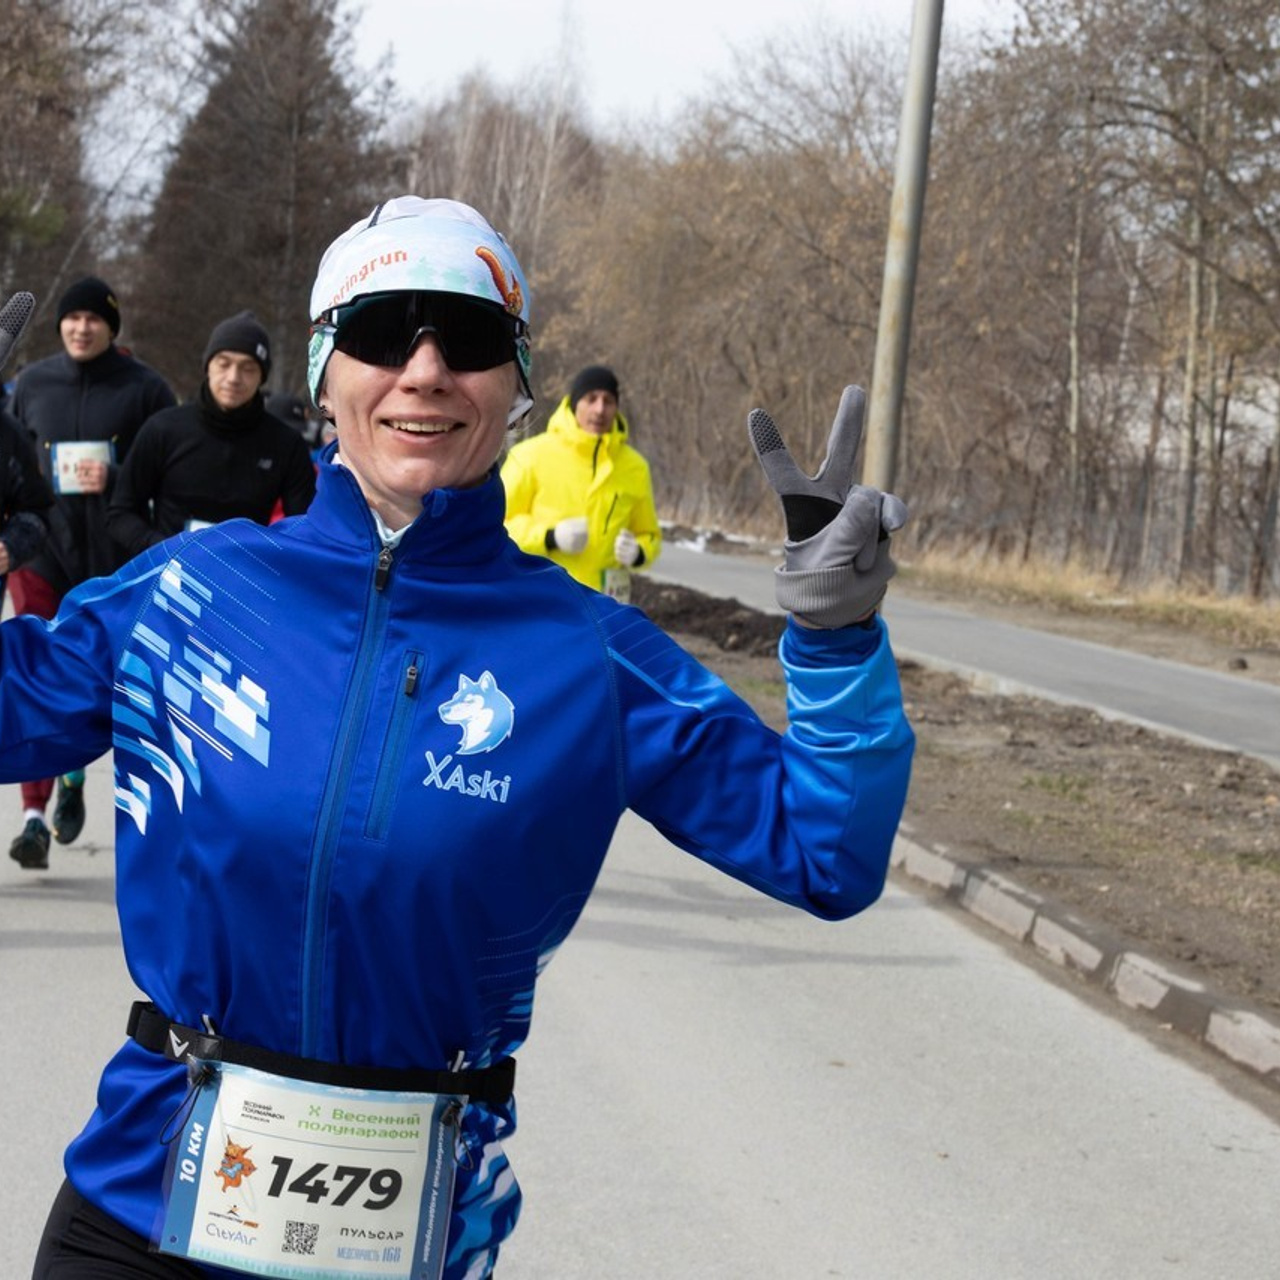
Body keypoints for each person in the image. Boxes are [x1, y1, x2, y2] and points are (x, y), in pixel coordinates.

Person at [15, 196, 914, 1280]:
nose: (426, 368)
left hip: (405, 1241)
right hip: (141, 1210)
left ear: (517, 380)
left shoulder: (585, 653)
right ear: (326, 368)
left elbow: (824, 851)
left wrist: (835, 644)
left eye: (469, 337)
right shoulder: (191, 592)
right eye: (385, 329)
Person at [7, 274, 175, 869]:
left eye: (94, 319)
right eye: (72, 319)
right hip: (43, 552)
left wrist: (119, 471)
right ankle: (32, 819)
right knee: (32, 670)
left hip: (112, 560)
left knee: (86, 676)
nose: (81, 328)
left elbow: (164, 464)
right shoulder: (31, 383)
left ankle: (73, 779)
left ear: (111, 327)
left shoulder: (146, 389)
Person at [106, 311, 317, 559]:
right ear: (208, 366)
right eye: (224, 364)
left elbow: (303, 530)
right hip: (169, 573)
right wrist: (163, 549)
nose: (233, 378)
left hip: (245, 578)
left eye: (248, 368)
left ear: (262, 376)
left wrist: (264, 561)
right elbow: (120, 513)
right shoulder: (163, 429)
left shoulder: (286, 444)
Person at [501, 363, 662, 600]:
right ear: (574, 402)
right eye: (591, 398)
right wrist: (550, 537)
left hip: (607, 607)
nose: (600, 409)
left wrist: (639, 552)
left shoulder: (635, 467)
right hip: (542, 602)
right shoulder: (529, 456)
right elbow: (496, 526)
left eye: (608, 401)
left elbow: (649, 535)